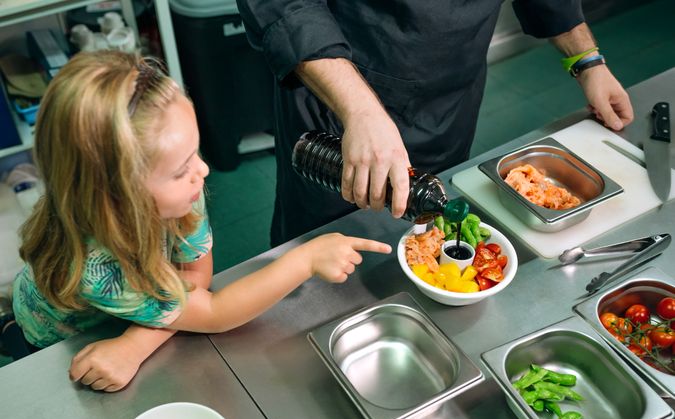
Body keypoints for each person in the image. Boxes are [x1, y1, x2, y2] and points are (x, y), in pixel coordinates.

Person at [7, 51, 391, 392]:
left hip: (130, 303)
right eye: (180, 170)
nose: (203, 170)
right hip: (59, 336)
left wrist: (137, 341)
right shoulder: (95, 268)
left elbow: (195, 275)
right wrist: (304, 260)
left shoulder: (183, 186)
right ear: (118, 198)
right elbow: (213, 312)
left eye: (196, 153)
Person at [236, 0, 634, 246]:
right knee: (326, 248)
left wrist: (585, 61)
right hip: (339, 101)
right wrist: (360, 111)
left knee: (427, 232)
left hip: (449, 99)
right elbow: (286, 5)